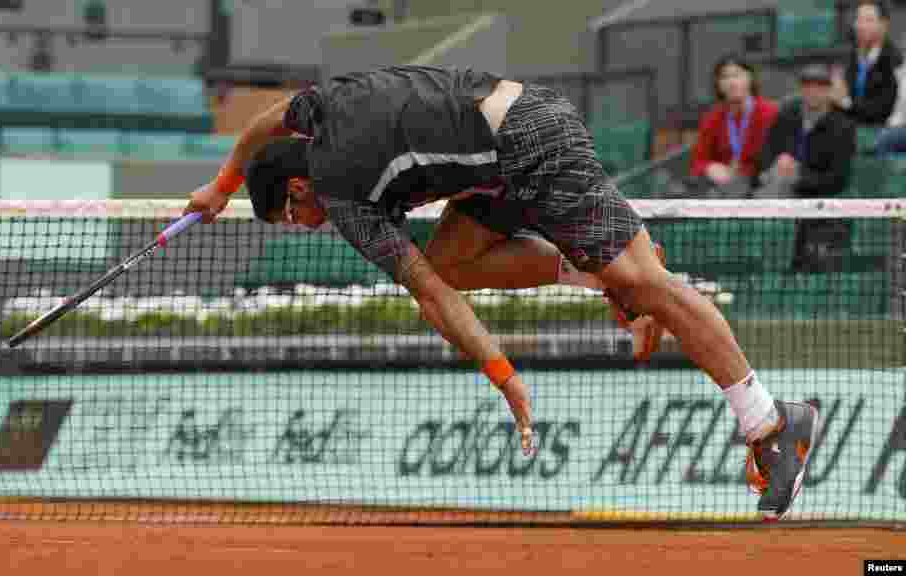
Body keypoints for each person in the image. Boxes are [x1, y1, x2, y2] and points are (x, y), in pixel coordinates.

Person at [184, 65, 820, 520]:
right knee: (455, 258)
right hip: (489, 159)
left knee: (646, 287)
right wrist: (222, 181)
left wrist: (502, 374)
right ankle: (597, 271)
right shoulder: (317, 112)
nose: (305, 227)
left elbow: (428, 296)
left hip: (523, 140)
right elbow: (269, 118)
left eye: (294, 218)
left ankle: (769, 421)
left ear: (299, 191)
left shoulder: (342, 195)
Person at [756, 64, 857, 271]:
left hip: (814, 197)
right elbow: (766, 153)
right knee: (773, 184)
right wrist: (775, 165)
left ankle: (774, 263)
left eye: (820, 85)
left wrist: (798, 176)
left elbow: (838, 179)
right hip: (776, 188)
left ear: (829, 90)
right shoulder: (786, 117)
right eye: (807, 85)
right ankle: (764, 262)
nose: (813, 91)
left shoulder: (843, 126)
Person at [688, 55, 779, 198]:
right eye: (724, 77)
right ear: (718, 84)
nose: (731, 82)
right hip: (724, 184)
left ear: (751, 78)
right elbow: (698, 161)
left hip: (761, 183)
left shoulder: (770, 112)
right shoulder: (713, 117)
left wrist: (744, 171)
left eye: (737, 75)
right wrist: (710, 167)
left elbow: (778, 157)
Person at [830, 0, 902, 127]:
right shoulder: (851, 56)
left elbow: (880, 113)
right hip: (846, 129)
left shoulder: (894, 61)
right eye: (858, 20)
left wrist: (844, 101)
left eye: (868, 20)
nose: (861, 26)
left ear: (883, 25)